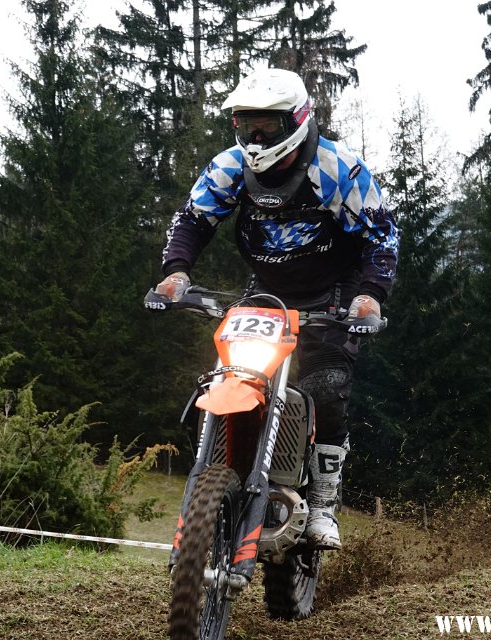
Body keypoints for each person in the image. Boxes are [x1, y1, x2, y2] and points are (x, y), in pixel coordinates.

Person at [149, 68, 399, 550]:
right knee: (232, 372)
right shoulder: (229, 167)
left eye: (268, 126)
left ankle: (323, 503)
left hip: (335, 292)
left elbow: (381, 235)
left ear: (298, 121)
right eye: (247, 125)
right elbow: (193, 219)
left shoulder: (337, 168)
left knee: (326, 384)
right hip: (268, 288)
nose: (257, 137)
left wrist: (370, 296)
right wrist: (176, 274)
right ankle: (227, 471)